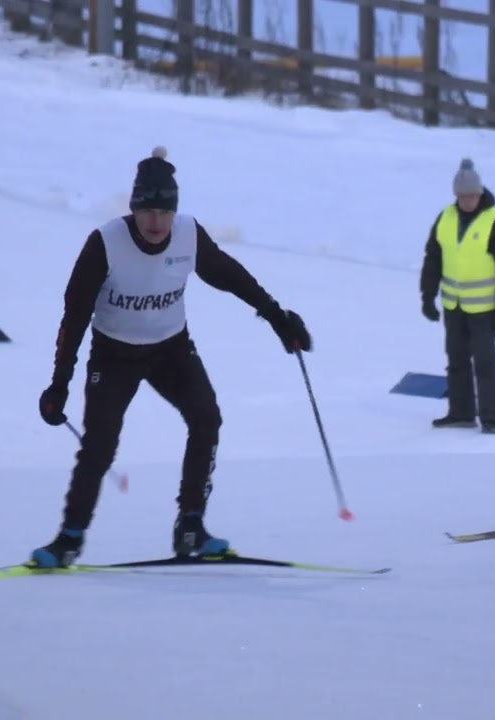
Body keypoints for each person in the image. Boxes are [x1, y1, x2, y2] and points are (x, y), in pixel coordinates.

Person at [32, 146, 313, 569]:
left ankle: (191, 525)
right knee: (99, 445)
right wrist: (59, 385)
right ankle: (69, 538)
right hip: (113, 355)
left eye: (165, 212)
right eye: (148, 212)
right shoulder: (104, 244)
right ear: (133, 209)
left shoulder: (188, 235)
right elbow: (73, 319)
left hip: (171, 349)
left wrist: (277, 317)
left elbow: (232, 277)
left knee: (206, 418)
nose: (156, 222)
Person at [419, 157, 495, 434]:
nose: (467, 201)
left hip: (485, 310)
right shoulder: (445, 218)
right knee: (456, 360)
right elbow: (433, 259)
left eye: (471, 196)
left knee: (485, 363)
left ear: (480, 193)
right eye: (462, 197)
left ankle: (492, 418)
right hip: (453, 305)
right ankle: (460, 413)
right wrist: (427, 297)